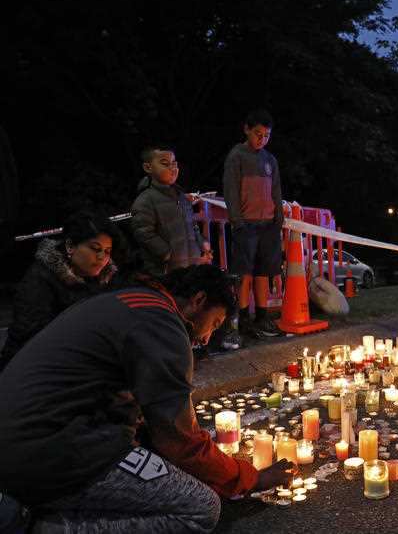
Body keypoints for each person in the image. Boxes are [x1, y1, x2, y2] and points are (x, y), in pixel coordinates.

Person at [0, 265, 294, 533]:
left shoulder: (133, 301)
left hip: (25, 436)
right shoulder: (162, 326)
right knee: (200, 508)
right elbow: (179, 440)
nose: (206, 339)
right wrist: (250, 479)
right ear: (198, 300)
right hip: (50, 450)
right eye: (214, 324)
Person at [0, 210, 120, 371]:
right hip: (31, 368)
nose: (102, 257)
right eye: (95, 248)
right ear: (70, 246)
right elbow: (32, 337)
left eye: (107, 251)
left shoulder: (105, 278)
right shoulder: (40, 280)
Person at [223, 109, 284, 344]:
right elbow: (231, 190)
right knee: (244, 274)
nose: (262, 139)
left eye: (267, 135)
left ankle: (262, 317)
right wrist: (236, 220)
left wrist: (278, 217)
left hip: (268, 225)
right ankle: (240, 321)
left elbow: (276, 190)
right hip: (245, 224)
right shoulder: (236, 156)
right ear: (246, 129)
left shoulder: (270, 160)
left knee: (264, 272)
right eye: (258, 133)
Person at [131, 146, 212, 275]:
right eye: (165, 164)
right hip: (166, 271)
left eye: (174, 164)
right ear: (148, 167)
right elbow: (143, 232)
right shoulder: (146, 199)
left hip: (191, 267)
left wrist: (202, 244)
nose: (172, 168)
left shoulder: (181, 196)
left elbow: (192, 225)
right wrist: (166, 253)